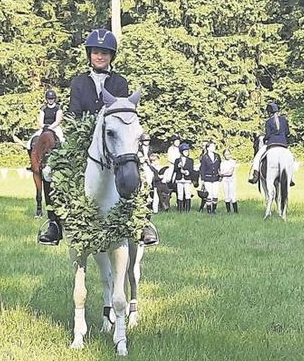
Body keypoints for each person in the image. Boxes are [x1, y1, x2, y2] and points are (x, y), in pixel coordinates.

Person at [39, 28, 159, 246]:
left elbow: (122, 112)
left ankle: (143, 223)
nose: (100, 56)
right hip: (82, 139)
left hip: (115, 140)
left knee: (145, 172)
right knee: (49, 171)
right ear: (89, 54)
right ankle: (54, 224)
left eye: (105, 52)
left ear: (111, 56)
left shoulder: (120, 82)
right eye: (96, 52)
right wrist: (83, 130)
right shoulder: (78, 83)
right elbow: (73, 114)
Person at [249, 102, 294, 186]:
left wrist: (265, 138)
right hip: (283, 144)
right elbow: (287, 132)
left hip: (272, 144)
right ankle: (291, 178)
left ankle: (255, 176)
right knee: (291, 159)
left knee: (257, 158)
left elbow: (268, 135)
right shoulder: (284, 120)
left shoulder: (269, 122)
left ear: (269, 112)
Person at [25, 89, 64, 168]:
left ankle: (63, 161)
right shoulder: (43, 108)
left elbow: (57, 121)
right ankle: (32, 162)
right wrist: (43, 126)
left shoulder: (58, 108)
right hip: (44, 127)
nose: (50, 100)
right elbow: (40, 120)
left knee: (63, 141)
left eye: (52, 98)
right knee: (29, 143)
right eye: (49, 99)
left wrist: (50, 127)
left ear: (54, 99)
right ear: (46, 99)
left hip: (55, 128)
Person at [172, 143, 195, 212]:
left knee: (187, 193)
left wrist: (187, 172)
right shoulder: (177, 160)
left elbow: (191, 169)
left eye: (187, 151)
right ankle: (180, 209)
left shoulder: (190, 160)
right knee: (180, 194)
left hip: (187, 179)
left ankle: (188, 209)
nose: (186, 153)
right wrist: (178, 167)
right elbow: (175, 170)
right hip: (179, 179)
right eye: (185, 151)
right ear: (181, 152)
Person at [199, 141, 221, 214]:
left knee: (215, 194)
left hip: (216, 178)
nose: (213, 147)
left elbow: (219, 166)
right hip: (207, 178)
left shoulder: (217, 156)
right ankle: (209, 210)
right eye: (212, 146)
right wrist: (202, 179)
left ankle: (214, 209)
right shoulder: (204, 157)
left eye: (214, 146)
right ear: (208, 148)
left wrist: (220, 175)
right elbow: (202, 168)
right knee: (209, 194)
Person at [220, 149, 239, 213]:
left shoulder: (233, 162)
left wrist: (223, 174)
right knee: (226, 195)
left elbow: (230, 173)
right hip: (225, 180)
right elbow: (221, 172)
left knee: (233, 195)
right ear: (224, 155)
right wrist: (224, 174)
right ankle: (228, 211)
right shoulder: (222, 163)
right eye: (226, 154)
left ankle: (236, 211)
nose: (227, 156)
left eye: (228, 154)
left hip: (232, 180)